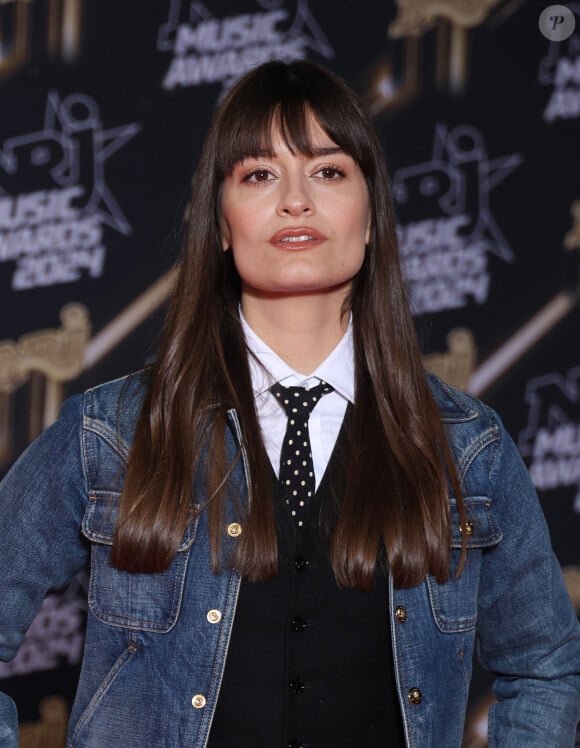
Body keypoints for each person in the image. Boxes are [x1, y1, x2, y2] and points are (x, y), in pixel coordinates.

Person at [0, 60, 579, 748]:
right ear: (220, 224)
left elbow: (546, 664)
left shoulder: (467, 446)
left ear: (370, 219)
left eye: (328, 171)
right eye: (259, 174)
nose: (295, 200)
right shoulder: (111, 433)